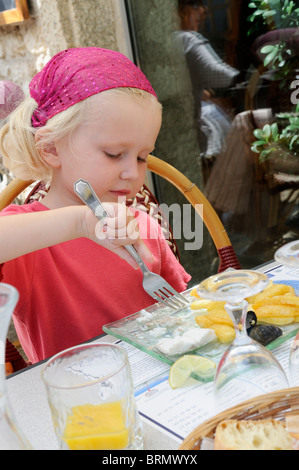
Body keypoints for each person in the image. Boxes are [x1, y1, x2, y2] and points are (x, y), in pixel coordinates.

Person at [0, 47, 191, 364]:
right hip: (80, 401)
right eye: (115, 154)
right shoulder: (31, 242)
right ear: (50, 148)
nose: (133, 173)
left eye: (143, 156)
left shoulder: (143, 225)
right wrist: (80, 223)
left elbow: (182, 309)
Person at [176, 0, 239, 162]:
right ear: (179, 11)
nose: (203, 11)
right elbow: (221, 76)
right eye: (195, 5)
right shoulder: (187, 39)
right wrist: (247, 77)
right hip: (191, 135)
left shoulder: (163, 43)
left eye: (203, 6)